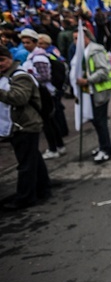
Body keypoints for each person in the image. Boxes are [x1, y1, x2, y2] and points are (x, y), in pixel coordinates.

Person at [0, 45, 51, 211]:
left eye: (2, 60)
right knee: (33, 158)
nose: (0, 64)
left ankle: (25, 197)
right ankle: (43, 189)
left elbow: (19, 98)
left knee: (26, 163)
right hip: (19, 125)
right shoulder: (7, 75)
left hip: (26, 125)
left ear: (9, 58)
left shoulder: (20, 76)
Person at [20, 28, 66, 160]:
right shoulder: (34, 56)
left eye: (28, 42)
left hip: (45, 94)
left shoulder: (39, 57)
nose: (25, 45)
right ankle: (59, 146)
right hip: (43, 93)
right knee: (51, 121)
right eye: (23, 42)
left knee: (48, 123)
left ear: (35, 42)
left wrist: (29, 76)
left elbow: (45, 76)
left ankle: (54, 148)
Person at [78, 28, 111, 163]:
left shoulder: (95, 50)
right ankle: (102, 146)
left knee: (100, 121)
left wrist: (87, 80)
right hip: (91, 91)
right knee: (96, 121)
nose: (75, 42)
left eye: (78, 38)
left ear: (86, 37)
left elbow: (103, 71)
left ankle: (106, 149)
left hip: (100, 91)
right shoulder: (84, 51)